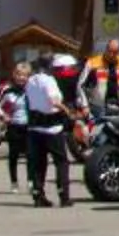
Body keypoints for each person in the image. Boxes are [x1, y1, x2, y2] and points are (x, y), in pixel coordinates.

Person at [23, 56, 75, 208]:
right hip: (52, 127)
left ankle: (38, 196)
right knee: (61, 162)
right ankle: (63, 196)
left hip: (34, 127)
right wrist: (67, 111)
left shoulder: (30, 81)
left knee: (38, 164)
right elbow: (53, 101)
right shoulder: (49, 80)